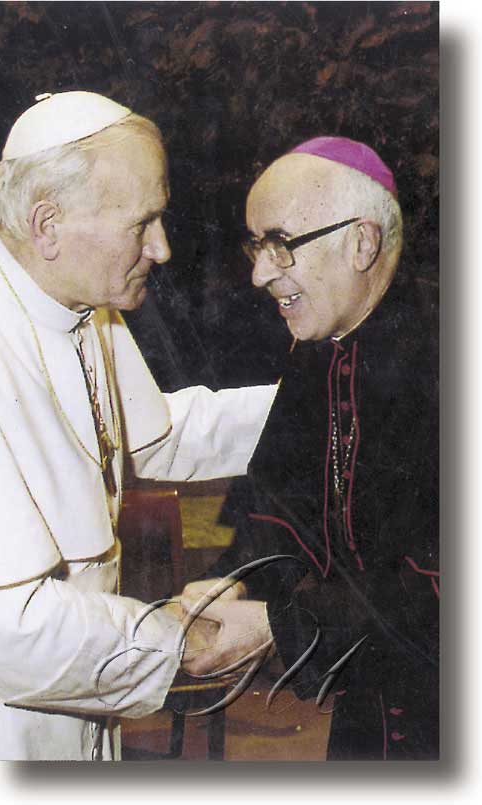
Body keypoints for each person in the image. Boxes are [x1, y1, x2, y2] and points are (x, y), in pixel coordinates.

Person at [0, 91, 277, 761]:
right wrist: (179, 640)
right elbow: (2, 627)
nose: (161, 248)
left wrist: (312, 407)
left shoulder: (77, 301)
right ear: (47, 225)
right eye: (142, 223)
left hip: (83, 694)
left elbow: (150, 436)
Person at [182, 136, 439, 760]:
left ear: (362, 243)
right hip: (370, 708)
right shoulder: (317, 353)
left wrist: (283, 626)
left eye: (280, 244)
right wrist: (233, 586)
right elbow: (283, 517)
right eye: (255, 246)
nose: (259, 274)